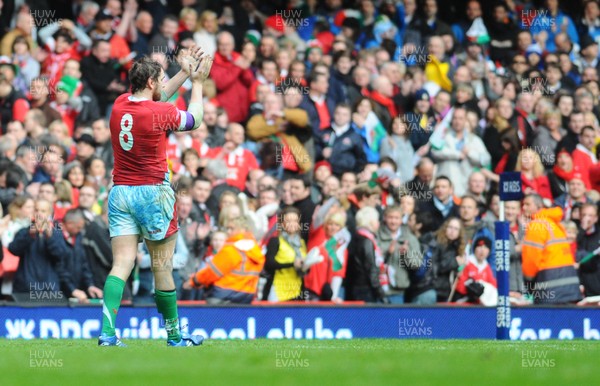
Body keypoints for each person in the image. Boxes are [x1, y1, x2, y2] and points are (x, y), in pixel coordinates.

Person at [98, 46, 211, 347]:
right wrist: (198, 82)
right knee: (162, 264)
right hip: (153, 193)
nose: (164, 83)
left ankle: (107, 334)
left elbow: (160, 96)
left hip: (121, 192)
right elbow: (194, 119)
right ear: (151, 83)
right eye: (161, 79)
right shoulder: (160, 112)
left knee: (121, 263)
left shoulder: (121, 104)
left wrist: (184, 73)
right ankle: (174, 337)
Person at [521, 194, 581, 304]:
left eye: (528, 204)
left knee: (546, 320)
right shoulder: (554, 222)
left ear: (539, 206)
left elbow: (531, 259)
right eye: (523, 204)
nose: (524, 207)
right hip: (570, 282)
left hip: (549, 284)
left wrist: (528, 282)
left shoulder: (536, 225)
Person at [345, 206, 387, 303]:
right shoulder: (367, 241)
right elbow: (371, 268)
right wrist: (381, 294)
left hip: (353, 288)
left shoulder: (354, 237)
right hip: (365, 290)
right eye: (377, 220)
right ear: (371, 222)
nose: (379, 223)